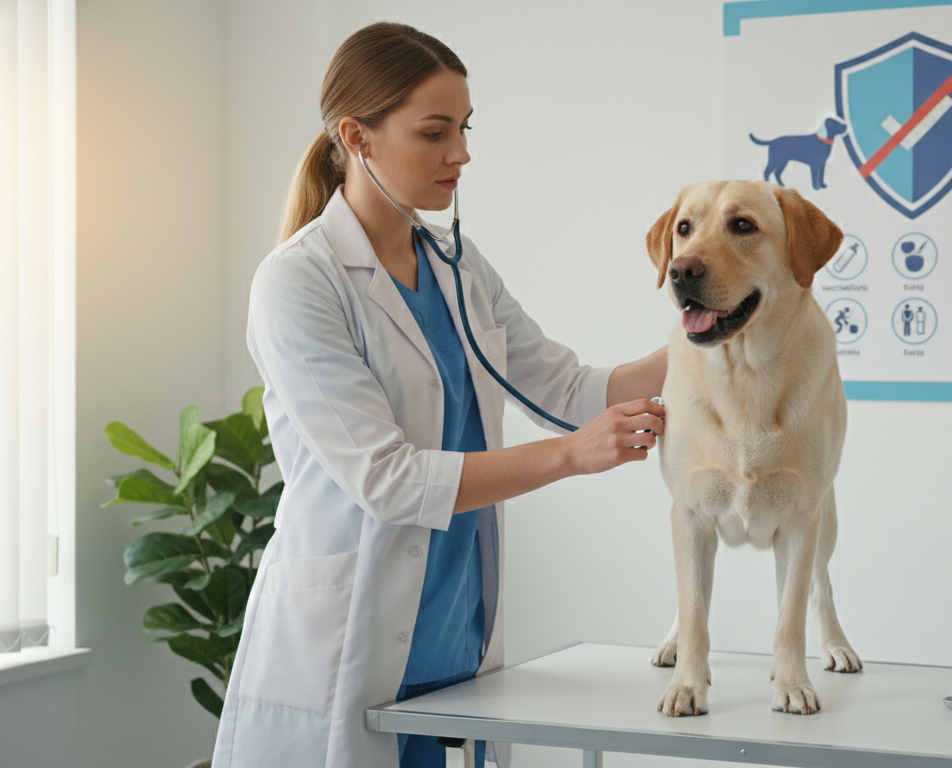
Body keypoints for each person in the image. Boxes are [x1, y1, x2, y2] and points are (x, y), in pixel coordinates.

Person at [211, 22, 666, 768]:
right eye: (435, 132)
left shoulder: (456, 265)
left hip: (456, 644)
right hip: (348, 649)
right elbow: (386, 480)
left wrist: (706, 339)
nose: (461, 153)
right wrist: (571, 458)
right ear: (356, 137)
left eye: (463, 128)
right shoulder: (297, 281)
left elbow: (568, 386)